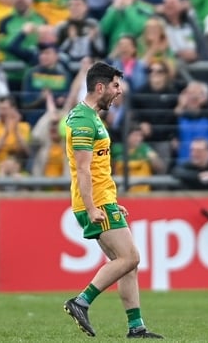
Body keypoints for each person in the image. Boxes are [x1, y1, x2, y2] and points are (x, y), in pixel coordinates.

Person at [62, 61, 163, 339]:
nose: (119, 91)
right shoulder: (83, 120)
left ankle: (136, 327)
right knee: (130, 257)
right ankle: (80, 302)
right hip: (94, 202)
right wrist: (94, 206)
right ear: (100, 87)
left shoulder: (91, 117)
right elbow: (82, 169)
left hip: (103, 199)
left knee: (127, 262)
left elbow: (95, 167)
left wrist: (108, 200)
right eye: (116, 86)